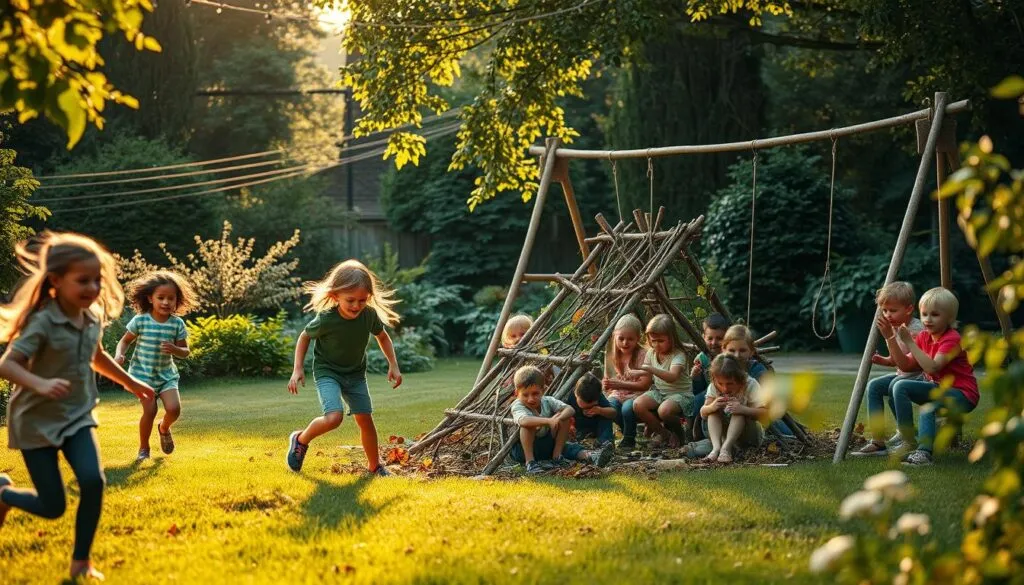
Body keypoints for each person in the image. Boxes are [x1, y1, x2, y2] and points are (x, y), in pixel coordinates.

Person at [0, 232, 155, 581]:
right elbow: (7, 365)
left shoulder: (92, 316)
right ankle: (4, 494)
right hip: (35, 420)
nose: (93, 288)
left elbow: (96, 356)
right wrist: (40, 384)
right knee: (52, 506)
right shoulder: (42, 321)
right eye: (83, 280)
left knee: (93, 481)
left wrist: (131, 383)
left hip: (77, 415)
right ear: (56, 280)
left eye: (97, 280)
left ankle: (81, 562)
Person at [286, 260, 403, 476]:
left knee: (365, 419)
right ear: (335, 296)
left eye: (362, 300)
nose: (356, 306)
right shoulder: (326, 319)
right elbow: (304, 337)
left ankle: (374, 466)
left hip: (355, 375)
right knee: (334, 418)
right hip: (328, 372)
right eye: (350, 300)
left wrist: (393, 365)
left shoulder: (369, 315)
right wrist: (297, 368)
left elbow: (383, 337)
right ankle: (300, 439)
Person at [879, 287, 979, 466]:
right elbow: (905, 365)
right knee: (900, 385)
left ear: (949, 318)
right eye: (924, 314)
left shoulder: (952, 339)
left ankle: (923, 453)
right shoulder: (924, 337)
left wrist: (909, 342)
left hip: (962, 394)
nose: (928, 319)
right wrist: (890, 338)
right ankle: (908, 439)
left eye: (935, 315)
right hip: (938, 388)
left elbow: (932, 367)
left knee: (928, 407)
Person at [114, 271, 196, 461]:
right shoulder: (141, 320)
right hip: (142, 376)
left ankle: (164, 427)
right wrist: (119, 355)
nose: (166, 302)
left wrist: (175, 349)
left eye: (171, 298)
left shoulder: (177, 324)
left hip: (166, 376)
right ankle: (144, 448)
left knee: (174, 409)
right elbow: (124, 341)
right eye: (161, 298)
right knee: (149, 411)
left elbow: (185, 352)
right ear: (150, 298)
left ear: (177, 300)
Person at [852, 282, 924, 457]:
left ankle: (908, 439)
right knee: (874, 385)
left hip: (920, 377)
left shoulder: (916, 330)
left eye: (892, 310)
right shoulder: (894, 327)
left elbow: (911, 364)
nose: (887, 315)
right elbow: (896, 360)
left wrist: (889, 337)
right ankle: (878, 442)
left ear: (909, 309)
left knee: (896, 385)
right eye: (884, 310)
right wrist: (883, 360)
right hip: (904, 375)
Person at [510, 366, 613, 473]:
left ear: (543, 390)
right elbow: (524, 421)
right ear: (516, 393)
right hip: (524, 451)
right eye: (525, 395)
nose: (531, 399)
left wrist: (558, 418)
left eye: (535, 393)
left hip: (547, 446)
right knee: (528, 425)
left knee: (565, 423)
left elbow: (570, 410)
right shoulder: (518, 405)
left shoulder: (547, 401)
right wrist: (549, 421)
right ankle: (530, 463)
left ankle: (560, 457)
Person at [629, 314, 692, 447]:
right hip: (659, 392)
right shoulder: (651, 352)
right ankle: (664, 434)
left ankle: (682, 429)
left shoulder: (678, 355)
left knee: (664, 411)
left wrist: (650, 368)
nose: (656, 345)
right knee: (638, 405)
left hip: (680, 394)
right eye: (653, 341)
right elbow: (648, 371)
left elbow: (672, 377)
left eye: (661, 341)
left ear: (672, 338)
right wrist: (637, 372)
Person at [699, 354, 767, 464]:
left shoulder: (750, 384)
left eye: (730, 383)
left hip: (748, 436)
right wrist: (712, 406)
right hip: (720, 435)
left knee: (738, 412)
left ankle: (726, 448)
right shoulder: (713, 386)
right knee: (712, 412)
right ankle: (716, 449)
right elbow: (703, 412)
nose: (725, 388)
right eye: (720, 383)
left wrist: (743, 409)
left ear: (740, 379)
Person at [601, 314, 651, 449]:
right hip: (618, 393)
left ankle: (629, 439)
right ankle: (624, 433)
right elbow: (608, 380)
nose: (625, 343)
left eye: (630, 339)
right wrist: (606, 384)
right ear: (614, 337)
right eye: (621, 338)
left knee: (627, 409)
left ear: (638, 338)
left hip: (637, 394)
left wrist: (620, 384)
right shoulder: (611, 354)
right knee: (610, 408)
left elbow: (644, 384)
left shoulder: (643, 355)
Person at [690, 313, 729, 440]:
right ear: (703, 337)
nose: (714, 343)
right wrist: (696, 377)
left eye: (719, 338)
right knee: (697, 401)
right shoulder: (702, 358)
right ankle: (695, 433)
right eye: (710, 338)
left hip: (728, 393)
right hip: (709, 395)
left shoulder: (729, 355)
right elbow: (698, 389)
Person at [566, 372, 616, 446]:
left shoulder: (597, 395)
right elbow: (565, 415)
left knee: (606, 416)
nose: (587, 409)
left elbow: (613, 413)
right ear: (576, 394)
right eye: (584, 406)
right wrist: (570, 425)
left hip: (596, 427)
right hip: (579, 428)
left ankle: (606, 442)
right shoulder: (571, 397)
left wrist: (600, 410)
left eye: (590, 406)